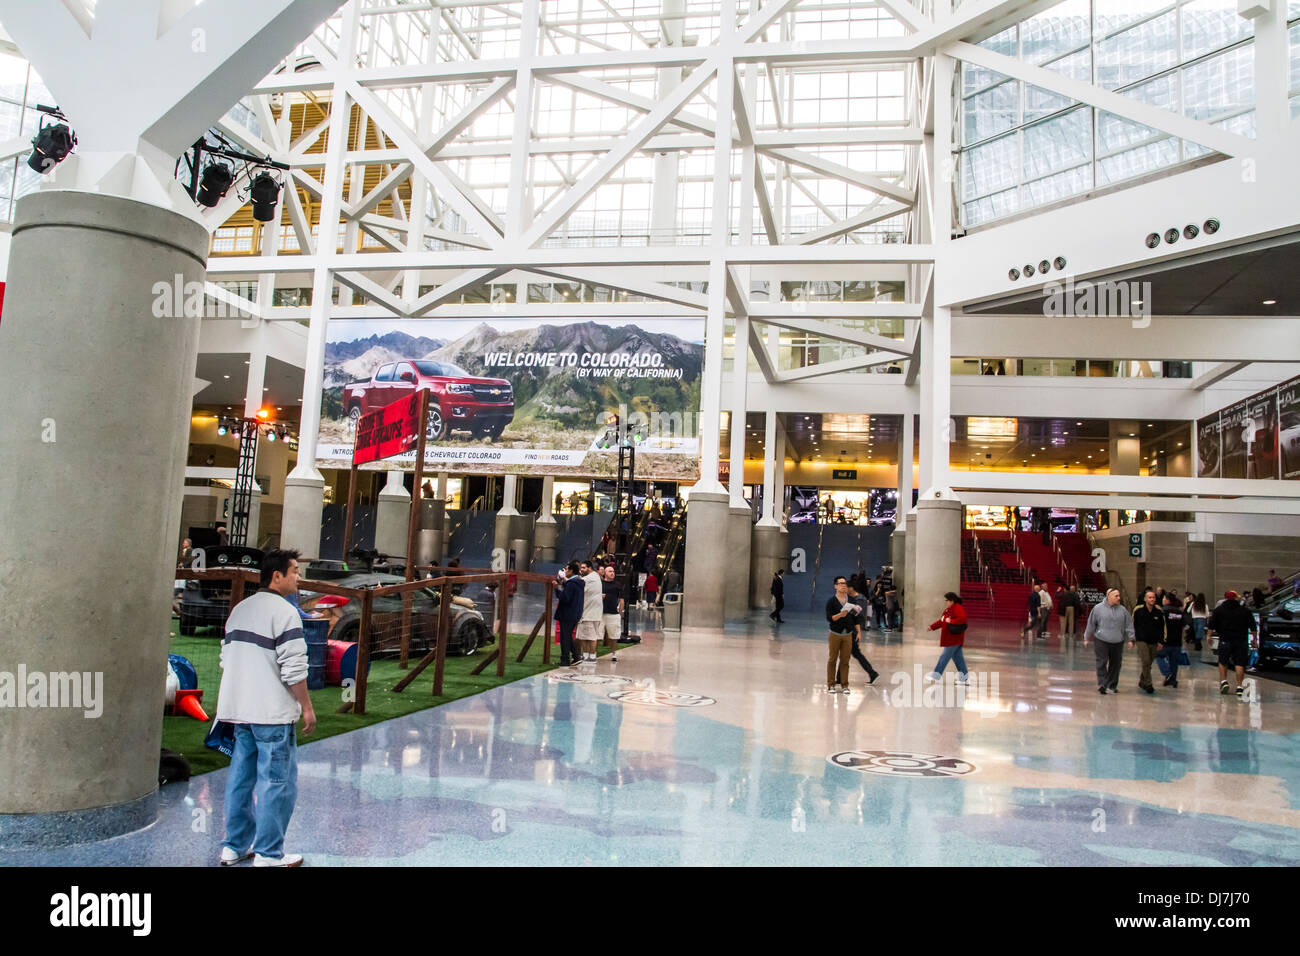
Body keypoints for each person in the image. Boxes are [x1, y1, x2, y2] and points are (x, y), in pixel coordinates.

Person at [217, 549, 315, 867]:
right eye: (295, 571)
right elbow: (294, 667)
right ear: (277, 576)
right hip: (272, 714)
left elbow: (225, 658)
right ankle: (269, 853)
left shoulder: (240, 610)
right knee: (277, 782)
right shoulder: (285, 613)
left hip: (241, 711)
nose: (299, 577)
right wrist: (307, 707)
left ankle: (233, 846)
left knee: (241, 778)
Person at [1084, 587, 1134, 694]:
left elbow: (1129, 624)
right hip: (1101, 640)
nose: (1119, 598)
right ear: (1109, 597)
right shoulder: (1098, 609)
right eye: (1116, 596)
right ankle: (1102, 684)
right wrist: (1087, 637)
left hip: (1117, 641)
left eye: (1119, 596)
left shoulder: (1123, 610)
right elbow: (1091, 623)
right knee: (1101, 662)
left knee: (1115, 664)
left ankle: (1112, 685)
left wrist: (1131, 638)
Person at [1209, 590, 1257, 698]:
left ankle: (1224, 681)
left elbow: (1211, 624)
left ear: (1225, 598)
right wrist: (1254, 639)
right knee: (1239, 663)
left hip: (1225, 639)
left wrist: (1209, 636)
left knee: (1223, 661)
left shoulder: (1219, 610)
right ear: (1235, 598)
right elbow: (1253, 626)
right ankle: (1239, 686)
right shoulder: (1245, 610)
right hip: (1241, 640)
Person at [825, 576, 860, 694]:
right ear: (835, 586)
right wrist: (841, 614)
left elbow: (856, 618)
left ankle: (845, 685)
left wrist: (858, 631)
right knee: (832, 659)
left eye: (845, 583)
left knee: (845, 660)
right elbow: (830, 618)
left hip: (848, 634)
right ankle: (831, 685)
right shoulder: (831, 601)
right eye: (840, 583)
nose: (843, 585)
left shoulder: (851, 600)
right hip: (835, 634)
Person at [926, 592, 969, 684]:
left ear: (952, 601)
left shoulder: (958, 608)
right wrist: (932, 627)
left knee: (944, 658)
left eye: (947, 600)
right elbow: (942, 621)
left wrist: (951, 621)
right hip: (952, 639)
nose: (946, 602)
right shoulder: (948, 610)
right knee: (959, 660)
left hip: (953, 639)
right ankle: (964, 679)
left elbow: (963, 619)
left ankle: (935, 676)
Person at [1132, 588, 1165, 695]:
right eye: (1150, 597)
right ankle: (1148, 684)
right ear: (1145, 599)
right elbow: (1133, 623)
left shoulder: (1159, 612)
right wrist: (1132, 637)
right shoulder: (1138, 610)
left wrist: (1161, 641)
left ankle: (1142, 681)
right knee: (1145, 660)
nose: (1152, 599)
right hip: (1141, 639)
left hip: (1154, 640)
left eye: (1153, 597)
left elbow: (1162, 627)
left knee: (1149, 663)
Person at [846, 582, 880, 685]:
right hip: (849, 629)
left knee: (849, 654)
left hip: (852, 630)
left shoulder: (859, 599)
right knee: (851, 654)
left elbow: (859, 616)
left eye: (846, 587)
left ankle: (872, 673)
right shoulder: (850, 598)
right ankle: (872, 673)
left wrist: (858, 632)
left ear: (851, 588)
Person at [555, 561, 584, 666]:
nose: (565, 571)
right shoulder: (578, 582)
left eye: (567, 569)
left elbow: (565, 598)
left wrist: (557, 589)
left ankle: (565, 659)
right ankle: (576, 656)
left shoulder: (572, 583)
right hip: (575, 613)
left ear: (571, 571)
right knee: (567, 636)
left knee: (565, 637)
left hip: (567, 613)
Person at [576, 559, 604, 664]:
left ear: (590, 568)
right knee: (587, 636)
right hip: (593, 613)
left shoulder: (589, 578)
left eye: (583, 568)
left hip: (589, 613)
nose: (581, 570)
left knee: (590, 637)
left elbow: (578, 583)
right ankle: (588, 655)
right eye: (581, 568)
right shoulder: (595, 577)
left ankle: (590, 657)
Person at [1159, 591, 1186, 687]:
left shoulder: (1163, 611)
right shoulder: (1179, 612)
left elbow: (1159, 625)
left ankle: (1167, 673)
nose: (1162, 600)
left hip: (1166, 641)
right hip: (1177, 641)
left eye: (1163, 598)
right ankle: (1173, 680)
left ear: (1167, 600)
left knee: (1158, 656)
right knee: (1174, 662)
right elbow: (1183, 625)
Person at [600, 565, 623, 662]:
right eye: (610, 571)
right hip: (600, 613)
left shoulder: (617, 585)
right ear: (605, 573)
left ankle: (614, 654)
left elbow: (621, 599)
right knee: (597, 636)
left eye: (613, 571)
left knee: (614, 636)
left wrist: (620, 613)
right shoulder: (600, 584)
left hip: (613, 614)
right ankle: (592, 654)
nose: (612, 573)